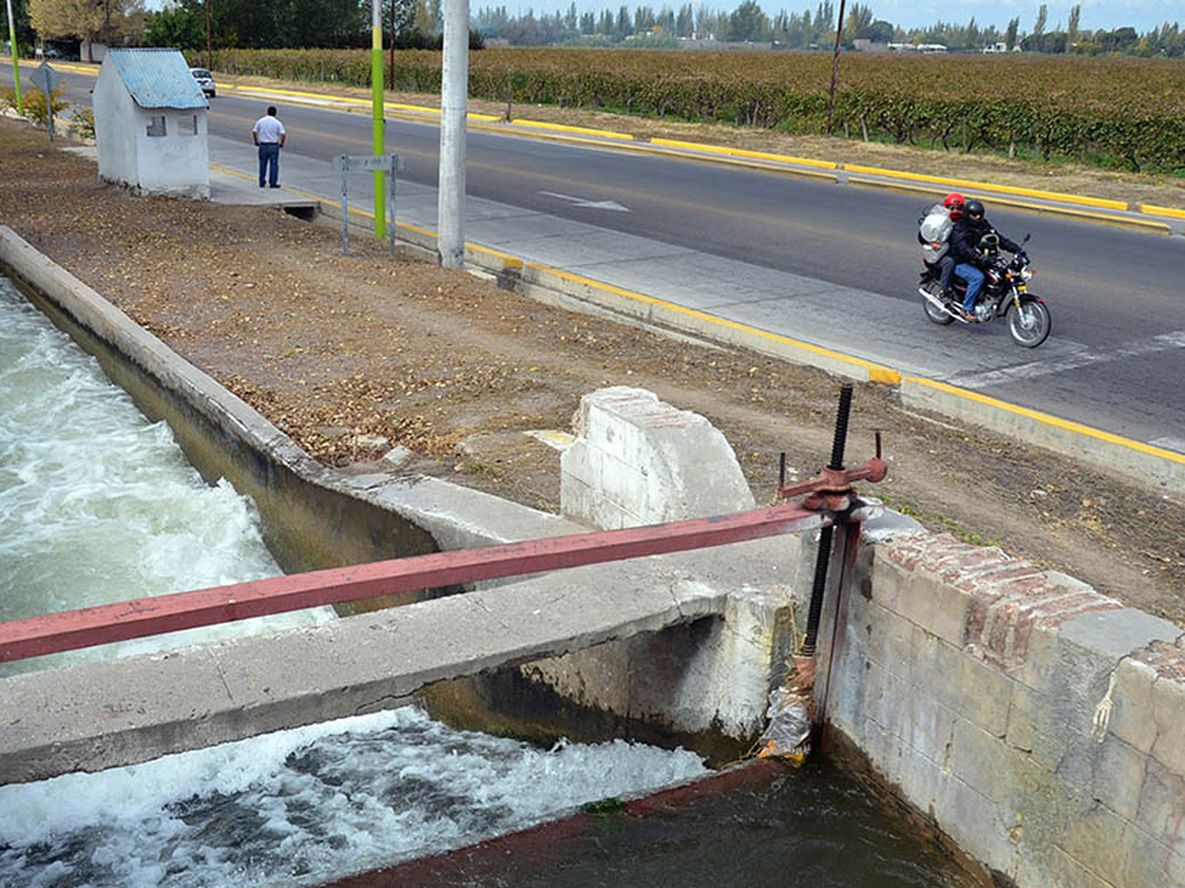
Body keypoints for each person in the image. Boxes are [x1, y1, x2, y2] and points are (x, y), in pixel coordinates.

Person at [949, 198, 1022, 322]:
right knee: (978, 278)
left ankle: (992, 303)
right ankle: (966, 309)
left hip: (978, 260)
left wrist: (1017, 249)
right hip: (960, 261)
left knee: (1001, 276)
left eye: (979, 214)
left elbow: (999, 239)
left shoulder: (983, 225)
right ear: (967, 214)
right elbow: (963, 248)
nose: (977, 217)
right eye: (974, 215)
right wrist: (979, 257)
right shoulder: (961, 227)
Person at [918, 192, 965, 300]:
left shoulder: (965, 222)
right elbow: (922, 235)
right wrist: (931, 242)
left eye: (959, 208)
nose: (955, 211)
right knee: (949, 262)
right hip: (940, 255)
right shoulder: (938, 221)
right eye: (952, 208)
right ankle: (944, 290)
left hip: (959, 253)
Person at [251, 106, 286, 189]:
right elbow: (283, 134)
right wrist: (281, 143)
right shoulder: (277, 123)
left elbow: (254, 131)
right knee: (274, 165)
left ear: (267, 112)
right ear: (275, 113)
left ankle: (262, 181)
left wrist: (256, 141)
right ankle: (273, 182)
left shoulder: (261, 121)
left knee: (262, 164)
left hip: (263, 145)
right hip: (274, 145)